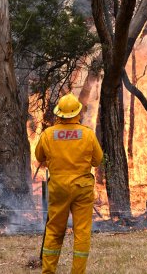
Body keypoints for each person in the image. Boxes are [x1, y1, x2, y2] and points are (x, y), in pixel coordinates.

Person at [35, 93, 103, 274]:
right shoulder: (87, 134)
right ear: (77, 114)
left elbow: (39, 157)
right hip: (82, 188)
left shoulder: (48, 134)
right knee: (81, 232)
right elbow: (98, 160)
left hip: (58, 188)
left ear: (59, 114)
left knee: (55, 231)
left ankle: (48, 271)